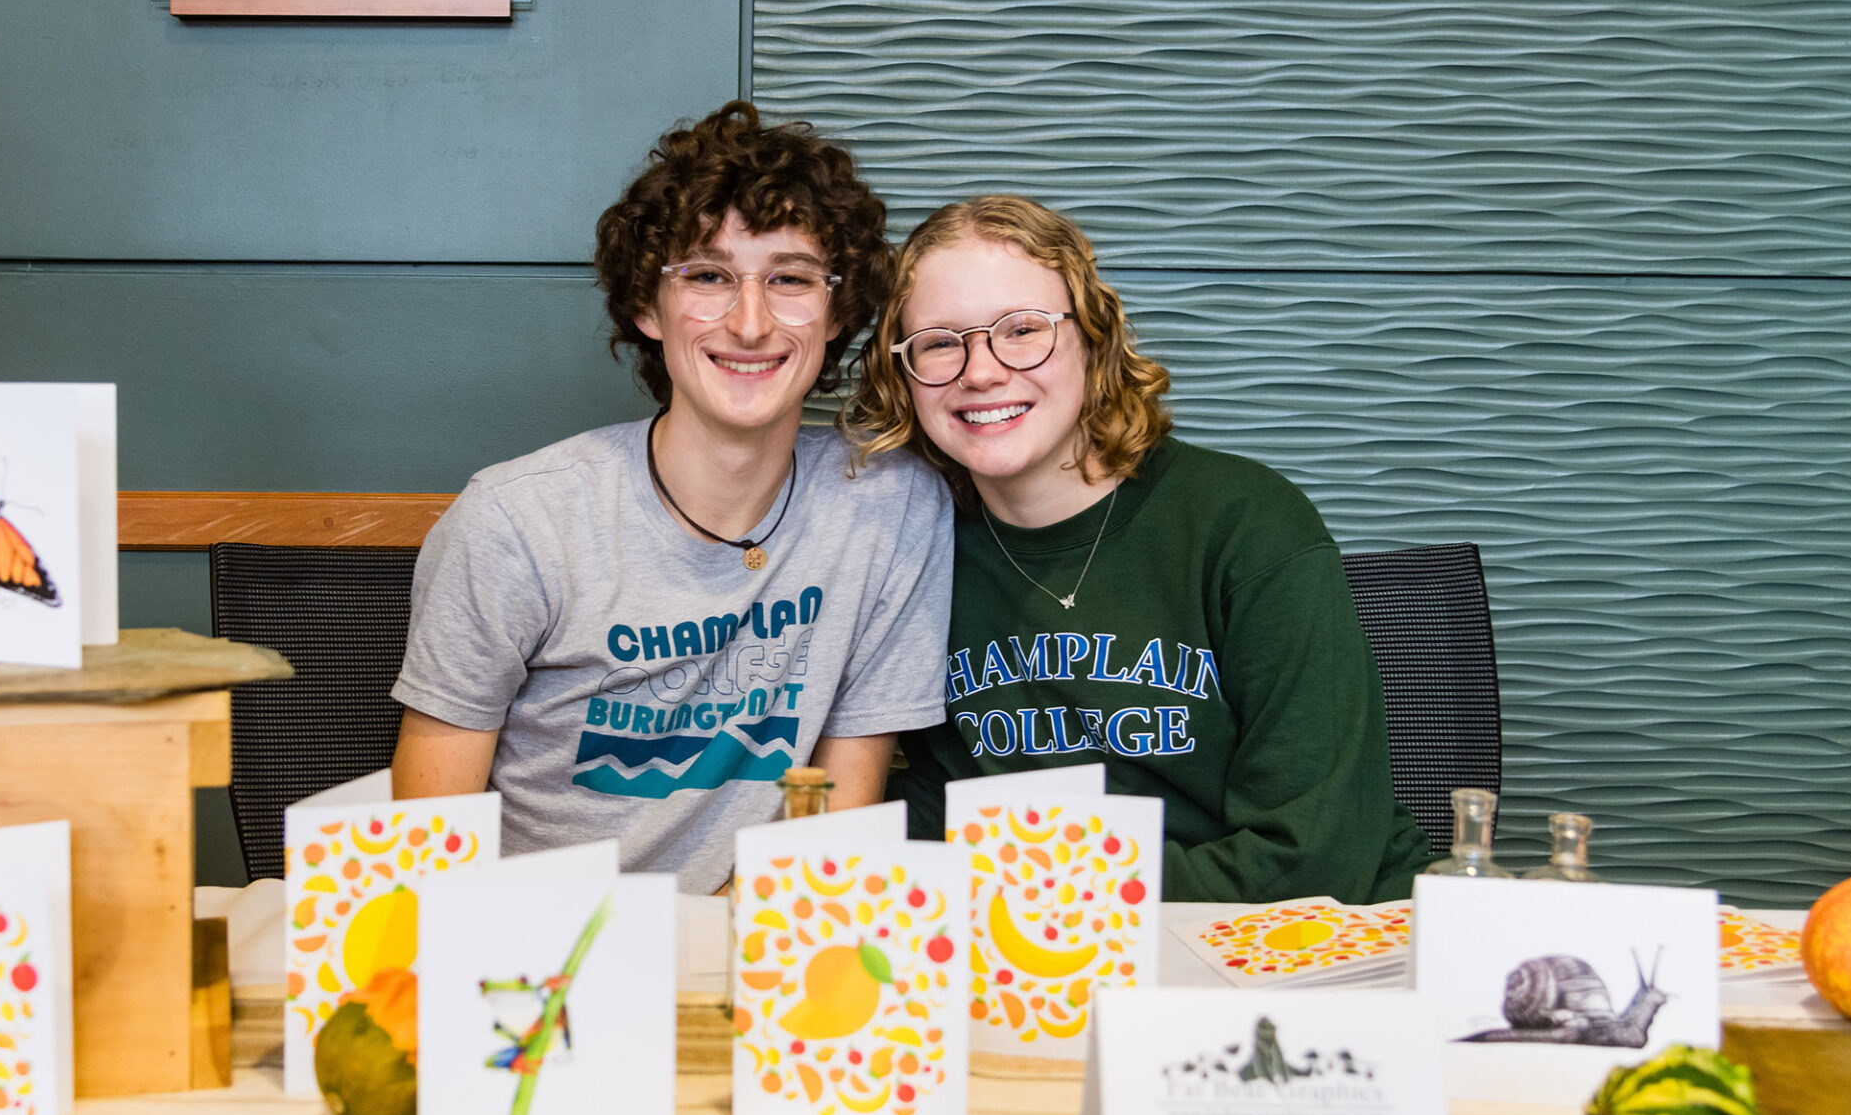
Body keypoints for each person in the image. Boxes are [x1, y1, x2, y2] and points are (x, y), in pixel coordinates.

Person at [389, 102, 955, 893]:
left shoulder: (892, 508)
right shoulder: (517, 521)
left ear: (838, 314)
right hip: (541, 964)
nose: (750, 322)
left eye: (790, 278)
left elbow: (838, 826)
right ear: (645, 308)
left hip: (757, 947)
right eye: (709, 276)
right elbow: (427, 844)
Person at [843, 195, 1427, 904]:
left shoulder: (1246, 524)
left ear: (1092, 337)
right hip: (1044, 956)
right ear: (902, 375)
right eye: (939, 342)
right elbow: (940, 811)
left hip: (1295, 945)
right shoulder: (918, 550)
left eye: (1022, 330)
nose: (982, 370)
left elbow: (1314, 855)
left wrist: (1047, 904)